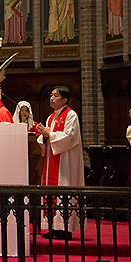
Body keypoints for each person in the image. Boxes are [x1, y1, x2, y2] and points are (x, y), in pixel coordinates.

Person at [36, 86, 85, 239]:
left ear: (64, 99)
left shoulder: (71, 115)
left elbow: (71, 137)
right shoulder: (51, 117)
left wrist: (49, 133)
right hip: (52, 159)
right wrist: (43, 136)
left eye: (55, 95)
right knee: (51, 193)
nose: (51, 98)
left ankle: (65, 229)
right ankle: (53, 227)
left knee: (64, 189)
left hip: (65, 161)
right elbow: (46, 139)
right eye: (51, 95)